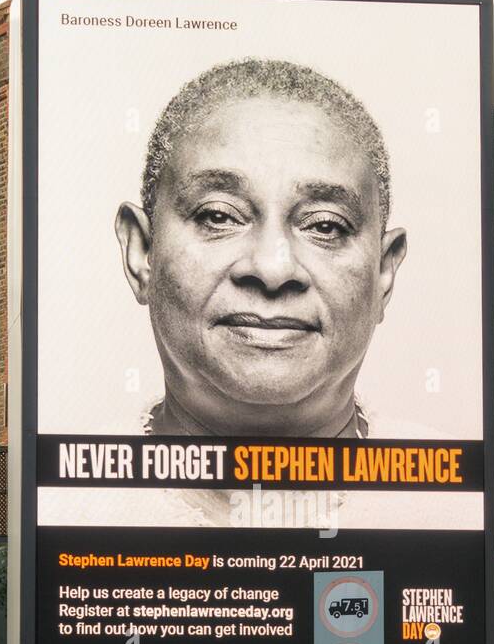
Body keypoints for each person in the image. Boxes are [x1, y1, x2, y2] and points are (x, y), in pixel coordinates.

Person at [115, 58, 408, 438]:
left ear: (383, 273)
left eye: (324, 225)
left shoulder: (454, 495)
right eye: (219, 216)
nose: (273, 268)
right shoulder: (66, 496)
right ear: (141, 253)